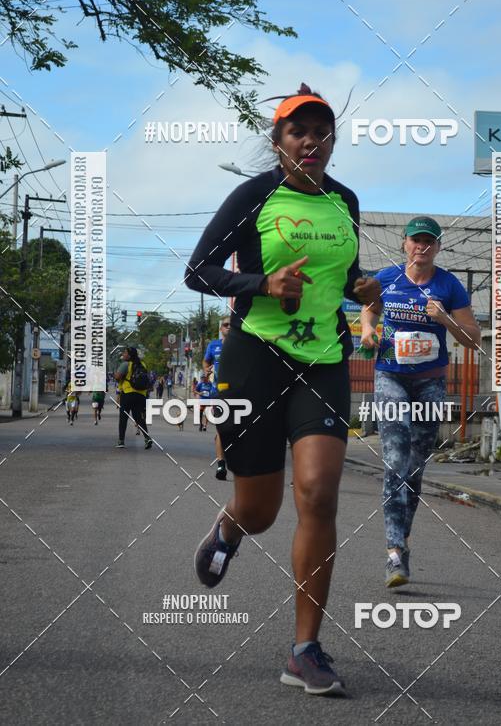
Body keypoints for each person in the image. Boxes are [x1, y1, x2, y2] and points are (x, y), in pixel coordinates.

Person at [185, 83, 380, 695]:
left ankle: (305, 649)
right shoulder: (253, 195)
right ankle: (228, 529)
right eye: (298, 131)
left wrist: (362, 288)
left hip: (323, 361)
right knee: (261, 511)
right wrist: (261, 284)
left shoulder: (346, 201)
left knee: (319, 495)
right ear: (279, 144)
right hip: (254, 360)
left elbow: (342, 275)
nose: (311, 141)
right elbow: (198, 271)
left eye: (321, 131)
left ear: (331, 142)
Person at [360, 216, 480, 588]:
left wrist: (443, 318)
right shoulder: (386, 278)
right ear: (404, 244)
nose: (422, 247)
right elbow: (370, 307)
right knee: (395, 461)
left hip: (430, 383)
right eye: (416, 241)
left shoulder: (449, 285)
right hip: (391, 376)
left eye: (429, 242)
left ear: (438, 247)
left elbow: (473, 339)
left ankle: (403, 543)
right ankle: (394, 552)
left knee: (414, 469)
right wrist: (367, 330)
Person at [203, 316, 231, 479]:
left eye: (231, 325)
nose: (228, 327)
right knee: (222, 428)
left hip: (241, 393)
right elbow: (206, 362)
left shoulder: (244, 345)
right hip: (219, 392)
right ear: (221, 329)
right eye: (225, 325)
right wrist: (206, 370)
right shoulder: (214, 345)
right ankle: (221, 465)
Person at [114, 346, 152, 449]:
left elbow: (117, 377)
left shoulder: (126, 364)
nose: (123, 354)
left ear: (129, 355)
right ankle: (147, 438)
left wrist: (117, 375)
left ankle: (121, 441)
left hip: (128, 393)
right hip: (141, 395)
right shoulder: (142, 364)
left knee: (123, 417)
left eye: (125, 353)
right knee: (139, 418)